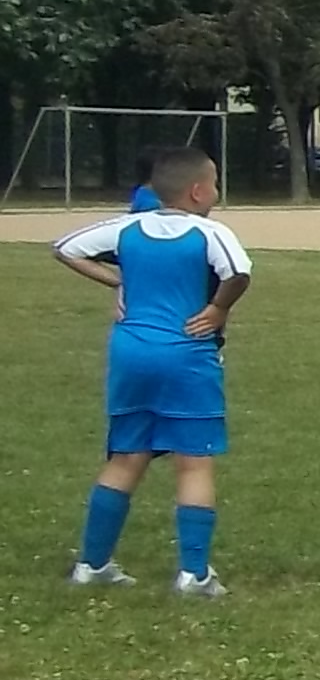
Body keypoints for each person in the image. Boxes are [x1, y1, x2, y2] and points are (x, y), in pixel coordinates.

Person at [53, 149, 251, 596]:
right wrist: (219, 308)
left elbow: (65, 248)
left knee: (126, 456)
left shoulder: (127, 228)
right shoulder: (209, 232)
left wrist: (118, 281)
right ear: (199, 191)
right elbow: (238, 272)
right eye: (215, 183)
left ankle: (92, 564)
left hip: (131, 353)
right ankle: (194, 575)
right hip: (185, 355)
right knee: (193, 463)